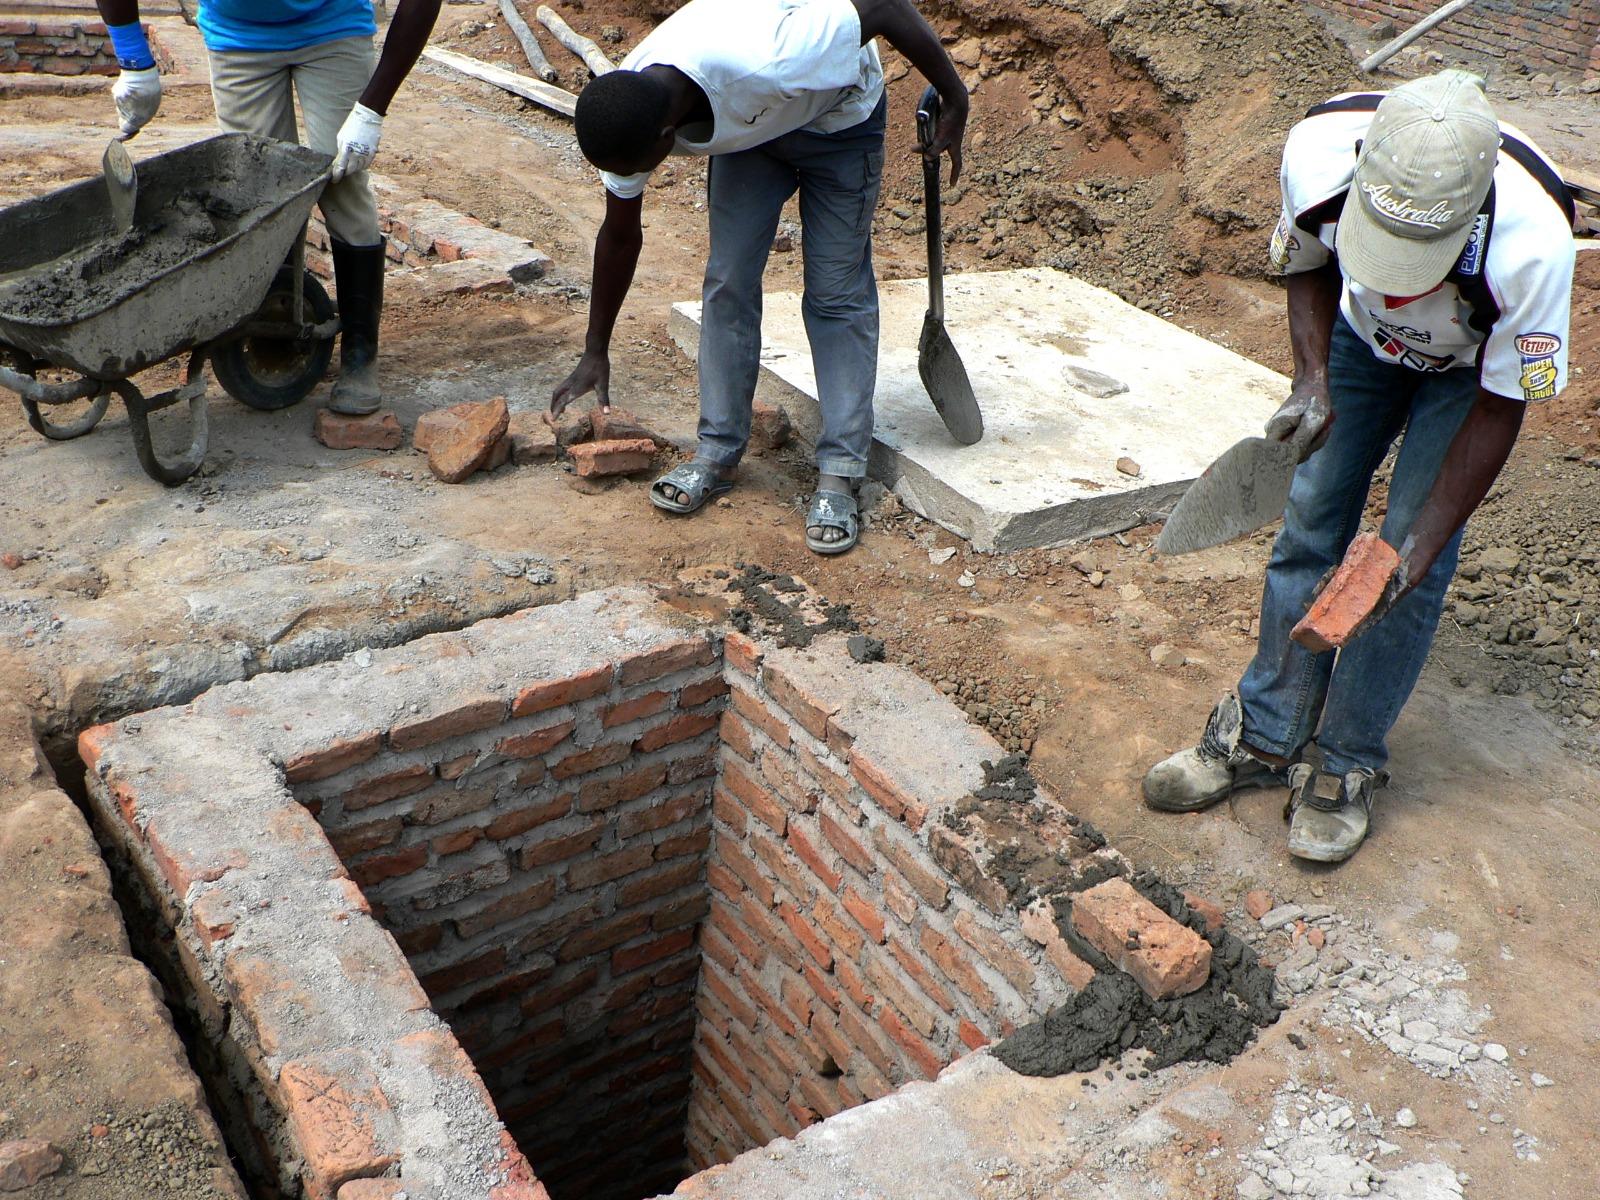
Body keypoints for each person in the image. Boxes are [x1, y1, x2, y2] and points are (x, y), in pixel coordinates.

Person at [1142, 71, 1575, 864]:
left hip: (1465, 379)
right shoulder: (1316, 154)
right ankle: (1266, 733)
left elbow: (1503, 405)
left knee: (1400, 572)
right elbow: (1305, 260)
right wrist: (1311, 379)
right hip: (1354, 346)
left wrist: (1423, 542)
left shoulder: (1534, 247)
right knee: (1309, 521)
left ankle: (1344, 762)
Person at [549, 0, 967, 555]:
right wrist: (594, 348)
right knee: (727, 280)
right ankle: (717, 453)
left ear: (666, 135)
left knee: (836, 293)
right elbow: (620, 233)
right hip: (752, 137)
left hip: (839, 120)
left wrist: (954, 96)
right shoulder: (630, 106)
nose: (631, 178)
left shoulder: (776, 58)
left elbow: (885, 8)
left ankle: (840, 472)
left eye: (636, 167)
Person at [96, 0, 442, 415]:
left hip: (331, 27)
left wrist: (371, 111)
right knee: (257, 196)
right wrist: (134, 61)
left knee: (342, 184)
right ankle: (275, 328)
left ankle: (359, 353)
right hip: (238, 38)